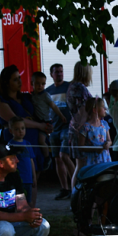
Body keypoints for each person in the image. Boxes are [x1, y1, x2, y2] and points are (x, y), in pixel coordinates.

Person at [0, 66, 52, 175]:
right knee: (21, 176)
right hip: (17, 143)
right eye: (15, 79)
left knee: (35, 176)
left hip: (35, 141)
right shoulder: (0, 101)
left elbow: (41, 110)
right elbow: (14, 120)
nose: (19, 81)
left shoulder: (27, 97)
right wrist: (39, 126)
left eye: (19, 78)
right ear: (6, 82)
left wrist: (47, 124)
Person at [46, 63, 76, 200]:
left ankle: (75, 185)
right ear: (51, 74)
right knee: (57, 159)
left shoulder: (69, 87)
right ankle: (65, 188)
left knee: (65, 156)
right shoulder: (48, 91)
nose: (59, 74)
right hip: (54, 129)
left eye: (61, 71)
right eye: (57, 72)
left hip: (67, 128)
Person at [30, 71, 68, 172]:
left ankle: (47, 158)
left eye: (43, 84)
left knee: (41, 141)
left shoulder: (45, 95)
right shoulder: (32, 96)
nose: (40, 86)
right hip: (37, 120)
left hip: (45, 121)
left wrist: (61, 116)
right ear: (31, 83)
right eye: (37, 83)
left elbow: (53, 106)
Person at [65, 62, 94, 190]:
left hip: (74, 128)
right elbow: (83, 111)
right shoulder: (80, 88)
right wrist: (82, 130)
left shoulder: (72, 86)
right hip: (79, 130)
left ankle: (76, 195)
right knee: (81, 165)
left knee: (79, 164)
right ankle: (76, 196)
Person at [7, 117, 37, 207]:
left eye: (22, 128)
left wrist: (34, 177)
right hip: (18, 179)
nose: (20, 131)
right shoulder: (10, 145)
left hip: (28, 179)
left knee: (29, 201)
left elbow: (31, 161)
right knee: (18, 202)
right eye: (17, 129)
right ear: (11, 131)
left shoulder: (27, 144)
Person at [78, 97, 112, 167]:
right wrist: (95, 149)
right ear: (95, 110)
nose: (105, 109)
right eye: (103, 107)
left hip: (105, 158)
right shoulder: (86, 127)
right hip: (91, 161)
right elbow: (80, 146)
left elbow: (109, 140)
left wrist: (108, 144)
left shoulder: (104, 124)